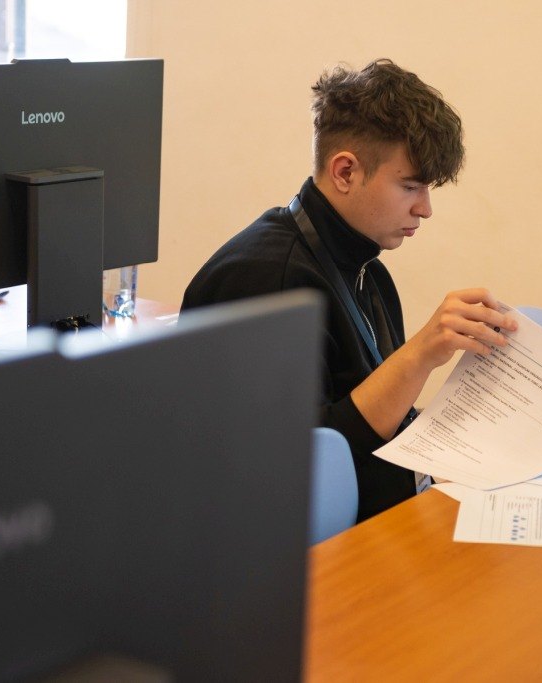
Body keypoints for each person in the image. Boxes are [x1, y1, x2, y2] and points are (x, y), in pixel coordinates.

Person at [181, 59, 517, 521]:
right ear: (344, 172)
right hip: (311, 546)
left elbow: (376, 421)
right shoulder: (267, 282)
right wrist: (419, 356)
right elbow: (297, 465)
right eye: (410, 186)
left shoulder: (367, 269)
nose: (425, 209)